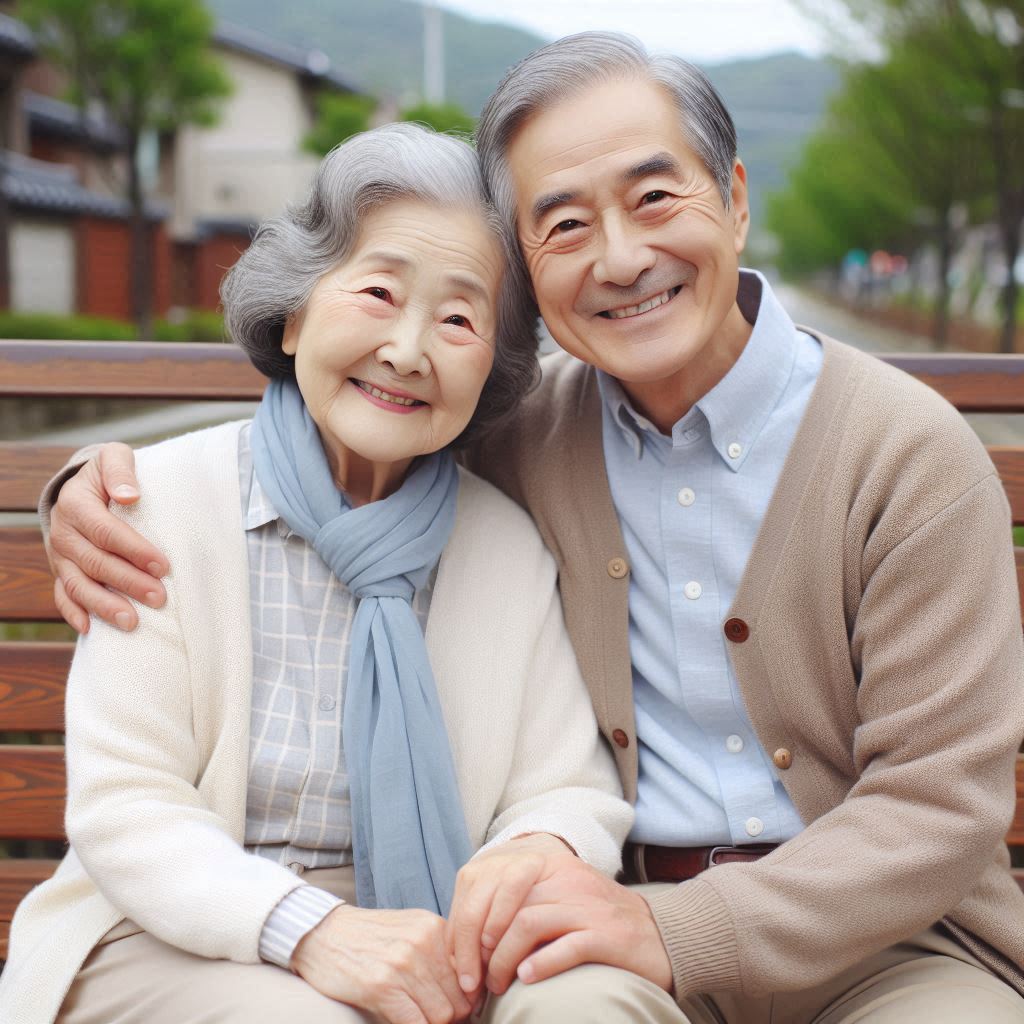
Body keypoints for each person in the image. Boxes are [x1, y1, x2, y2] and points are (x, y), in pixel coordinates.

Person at [32, 31, 1024, 1024]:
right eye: (563, 223)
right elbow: (339, 426)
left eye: (653, 197)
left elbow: (938, 801)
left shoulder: (903, 453)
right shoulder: (522, 436)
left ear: (734, 196)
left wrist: (653, 918)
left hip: (885, 941)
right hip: (613, 919)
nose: (622, 256)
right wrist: (80, 494)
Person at [0, 123, 633, 1024]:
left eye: (459, 319)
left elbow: (567, 784)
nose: (410, 350)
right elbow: (128, 805)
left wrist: (526, 855)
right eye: (378, 291)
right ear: (294, 312)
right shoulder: (162, 505)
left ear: (493, 365)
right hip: (164, 923)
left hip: (430, 928)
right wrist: (312, 929)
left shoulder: (503, 544)